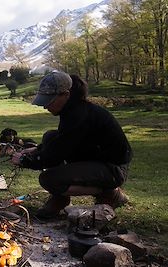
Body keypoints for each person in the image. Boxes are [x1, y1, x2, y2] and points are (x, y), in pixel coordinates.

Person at [11, 71, 132, 219]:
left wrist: (25, 160)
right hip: (97, 158)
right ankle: (60, 198)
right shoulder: (73, 109)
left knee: (48, 179)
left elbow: (54, 156)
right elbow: (62, 141)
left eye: (50, 100)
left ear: (66, 94)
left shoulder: (78, 116)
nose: (45, 106)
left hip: (113, 169)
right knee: (50, 136)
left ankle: (110, 193)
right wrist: (37, 149)